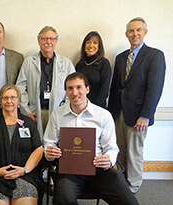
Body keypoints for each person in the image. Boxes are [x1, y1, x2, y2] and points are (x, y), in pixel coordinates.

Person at [43, 72, 139, 205]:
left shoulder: (103, 115)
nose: (75, 92)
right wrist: (49, 152)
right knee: (63, 200)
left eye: (79, 87)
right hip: (69, 171)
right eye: (70, 88)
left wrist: (109, 159)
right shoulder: (57, 115)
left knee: (129, 202)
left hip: (99, 169)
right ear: (66, 92)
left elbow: (111, 147)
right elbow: (49, 142)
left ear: (87, 89)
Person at [108, 17, 166, 194]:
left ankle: (132, 187)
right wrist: (111, 115)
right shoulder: (121, 57)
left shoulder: (154, 56)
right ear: (126, 34)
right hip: (119, 112)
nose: (135, 34)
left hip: (139, 114)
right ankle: (122, 181)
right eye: (131, 31)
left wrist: (146, 115)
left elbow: (155, 88)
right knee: (121, 151)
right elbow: (116, 87)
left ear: (145, 32)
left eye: (138, 30)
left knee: (134, 152)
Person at [0, 84, 44, 205]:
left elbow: (38, 150)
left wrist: (25, 170)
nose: (9, 101)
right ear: (0, 101)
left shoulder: (28, 123)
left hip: (24, 177)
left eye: (13, 97)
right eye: (5, 98)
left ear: (18, 100)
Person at [16, 26, 75, 138]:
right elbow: (20, 88)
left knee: (56, 144)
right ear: (38, 40)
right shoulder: (29, 62)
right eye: (44, 38)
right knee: (36, 144)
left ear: (56, 41)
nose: (48, 42)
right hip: (36, 112)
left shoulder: (66, 63)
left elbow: (73, 89)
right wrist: (26, 111)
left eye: (52, 39)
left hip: (59, 111)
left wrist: (65, 109)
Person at [75, 31, 111, 108]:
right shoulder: (80, 64)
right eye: (88, 42)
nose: (91, 45)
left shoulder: (104, 63)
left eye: (95, 43)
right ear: (84, 46)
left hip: (98, 107)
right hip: (80, 107)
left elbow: (104, 90)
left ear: (99, 46)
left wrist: (92, 107)